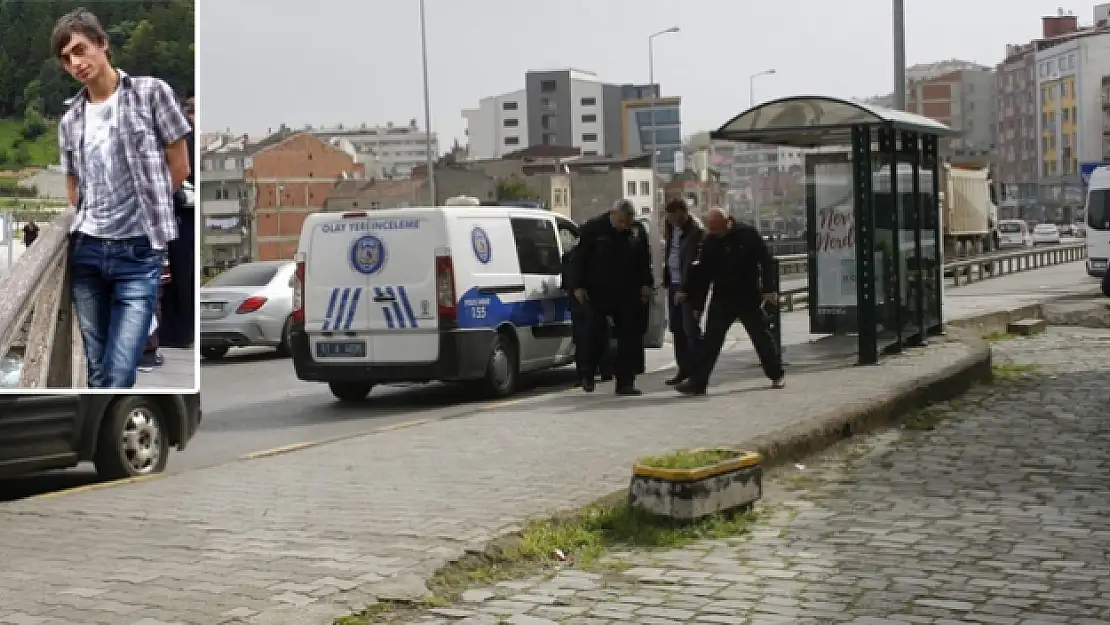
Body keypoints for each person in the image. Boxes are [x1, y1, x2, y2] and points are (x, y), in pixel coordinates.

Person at [54, 8, 191, 388]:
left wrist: (150, 210)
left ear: (103, 44)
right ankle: (100, 446)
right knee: (97, 369)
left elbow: (179, 166)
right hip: (88, 252)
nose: (76, 63)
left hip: (138, 253)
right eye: (67, 58)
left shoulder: (151, 93)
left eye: (81, 50)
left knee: (119, 370)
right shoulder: (70, 120)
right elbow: (72, 186)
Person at [675, 207, 785, 395]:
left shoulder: (747, 234)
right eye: (711, 228)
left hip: (748, 295)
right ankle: (698, 382)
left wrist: (769, 289)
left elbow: (766, 261)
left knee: (761, 336)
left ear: (728, 222)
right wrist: (691, 297)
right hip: (722, 296)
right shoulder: (710, 242)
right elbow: (703, 274)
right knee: (711, 341)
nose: (714, 232)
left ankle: (776, 374)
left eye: (717, 228)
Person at [570, 199, 653, 395]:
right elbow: (578, 258)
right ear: (613, 214)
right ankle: (587, 373)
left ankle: (625, 382)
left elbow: (644, 259)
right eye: (621, 222)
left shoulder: (637, 231)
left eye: (628, 223)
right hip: (598, 290)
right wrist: (577, 286)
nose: (624, 226)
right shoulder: (594, 229)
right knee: (595, 333)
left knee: (628, 337)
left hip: (627, 291)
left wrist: (646, 284)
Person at [159, 96, 197, 349]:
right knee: (180, 277)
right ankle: (179, 334)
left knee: (174, 277)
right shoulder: (185, 134)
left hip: (177, 214)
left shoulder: (178, 136)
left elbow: (180, 170)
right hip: (183, 215)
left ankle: (175, 335)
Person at [662, 198, 705, 386]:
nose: (670, 219)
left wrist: (686, 288)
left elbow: (695, 264)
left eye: (673, 215)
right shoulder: (671, 229)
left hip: (688, 289)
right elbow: (671, 254)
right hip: (673, 285)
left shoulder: (696, 231)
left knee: (690, 330)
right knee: (677, 329)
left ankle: (698, 371)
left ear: (682, 211)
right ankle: (683, 369)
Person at [560, 243, 614, 385]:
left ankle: (583, 374)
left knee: (582, 338)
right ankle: (604, 371)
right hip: (594, 302)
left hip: (578, 304)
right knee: (601, 336)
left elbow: (565, 282)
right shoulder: (599, 253)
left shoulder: (571, 255)